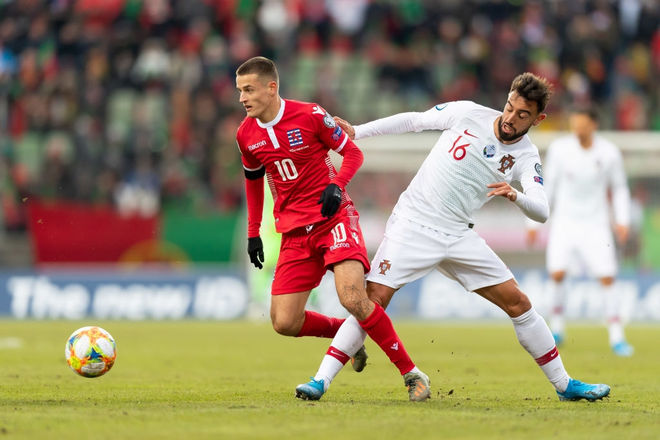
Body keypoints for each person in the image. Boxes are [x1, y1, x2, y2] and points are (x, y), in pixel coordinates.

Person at [296, 73, 611, 402]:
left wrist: (516, 196)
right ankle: (320, 380)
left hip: (458, 234)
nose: (510, 118)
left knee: (519, 302)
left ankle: (565, 385)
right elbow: (416, 121)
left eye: (522, 115)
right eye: (509, 107)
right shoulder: (468, 113)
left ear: (538, 118)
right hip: (414, 224)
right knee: (371, 300)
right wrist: (359, 131)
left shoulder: (526, 157)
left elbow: (542, 210)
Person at [235, 56, 430, 402]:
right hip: (294, 231)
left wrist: (337, 185)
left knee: (352, 297)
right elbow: (253, 183)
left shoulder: (309, 115)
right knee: (284, 322)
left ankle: (413, 375)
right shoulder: (246, 135)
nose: (242, 98)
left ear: (271, 87)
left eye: (248, 90)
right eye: (240, 91)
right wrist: (253, 232)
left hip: (334, 217)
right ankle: (347, 336)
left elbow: (353, 153)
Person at [526, 107, 633, 356]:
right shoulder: (560, 149)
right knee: (557, 274)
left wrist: (622, 219)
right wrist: (533, 223)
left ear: (594, 125)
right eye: (575, 126)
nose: (578, 131)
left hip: (596, 224)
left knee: (607, 277)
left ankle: (617, 336)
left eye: (583, 126)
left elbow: (619, 188)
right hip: (564, 223)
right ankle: (558, 329)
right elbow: (547, 186)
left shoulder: (609, 153)